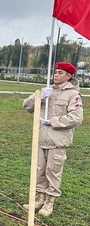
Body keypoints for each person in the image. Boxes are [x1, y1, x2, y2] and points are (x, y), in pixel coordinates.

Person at [23, 61, 83, 217]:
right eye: (55, 72)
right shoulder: (47, 90)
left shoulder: (73, 94)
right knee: (40, 170)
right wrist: (39, 97)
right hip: (41, 138)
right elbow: (27, 107)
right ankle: (39, 198)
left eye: (60, 73)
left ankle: (50, 202)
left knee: (53, 171)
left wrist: (53, 121)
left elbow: (76, 117)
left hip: (57, 140)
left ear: (69, 76)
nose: (56, 75)